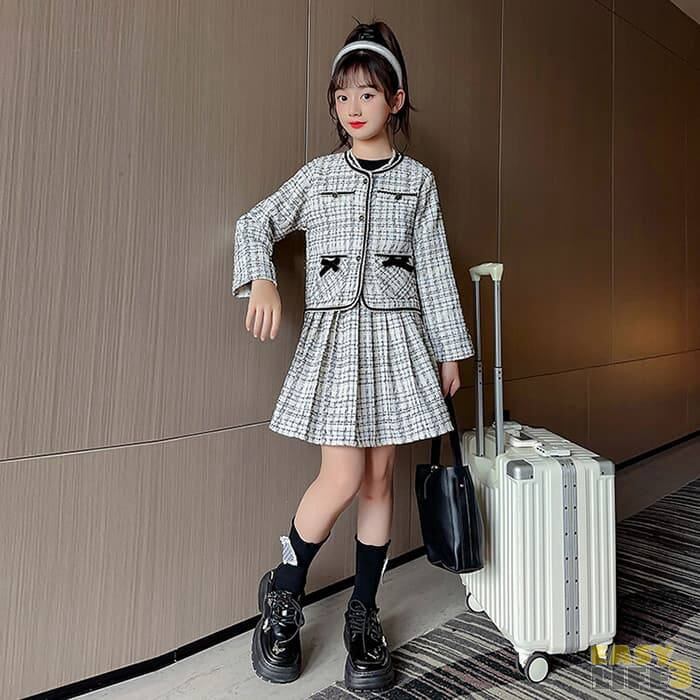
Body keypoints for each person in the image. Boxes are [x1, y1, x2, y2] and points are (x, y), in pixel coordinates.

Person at [231, 19, 475, 692]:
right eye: (342, 97)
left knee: (378, 481)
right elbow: (256, 223)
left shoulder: (419, 183)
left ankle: (363, 614)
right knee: (340, 478)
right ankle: (283, 593)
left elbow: (434, 270)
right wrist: (262, 277)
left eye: (368, 94)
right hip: (336, 344)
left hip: (398, 344)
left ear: (396, 99)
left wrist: (450, 350)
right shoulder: (318, 177)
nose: (353, 108)